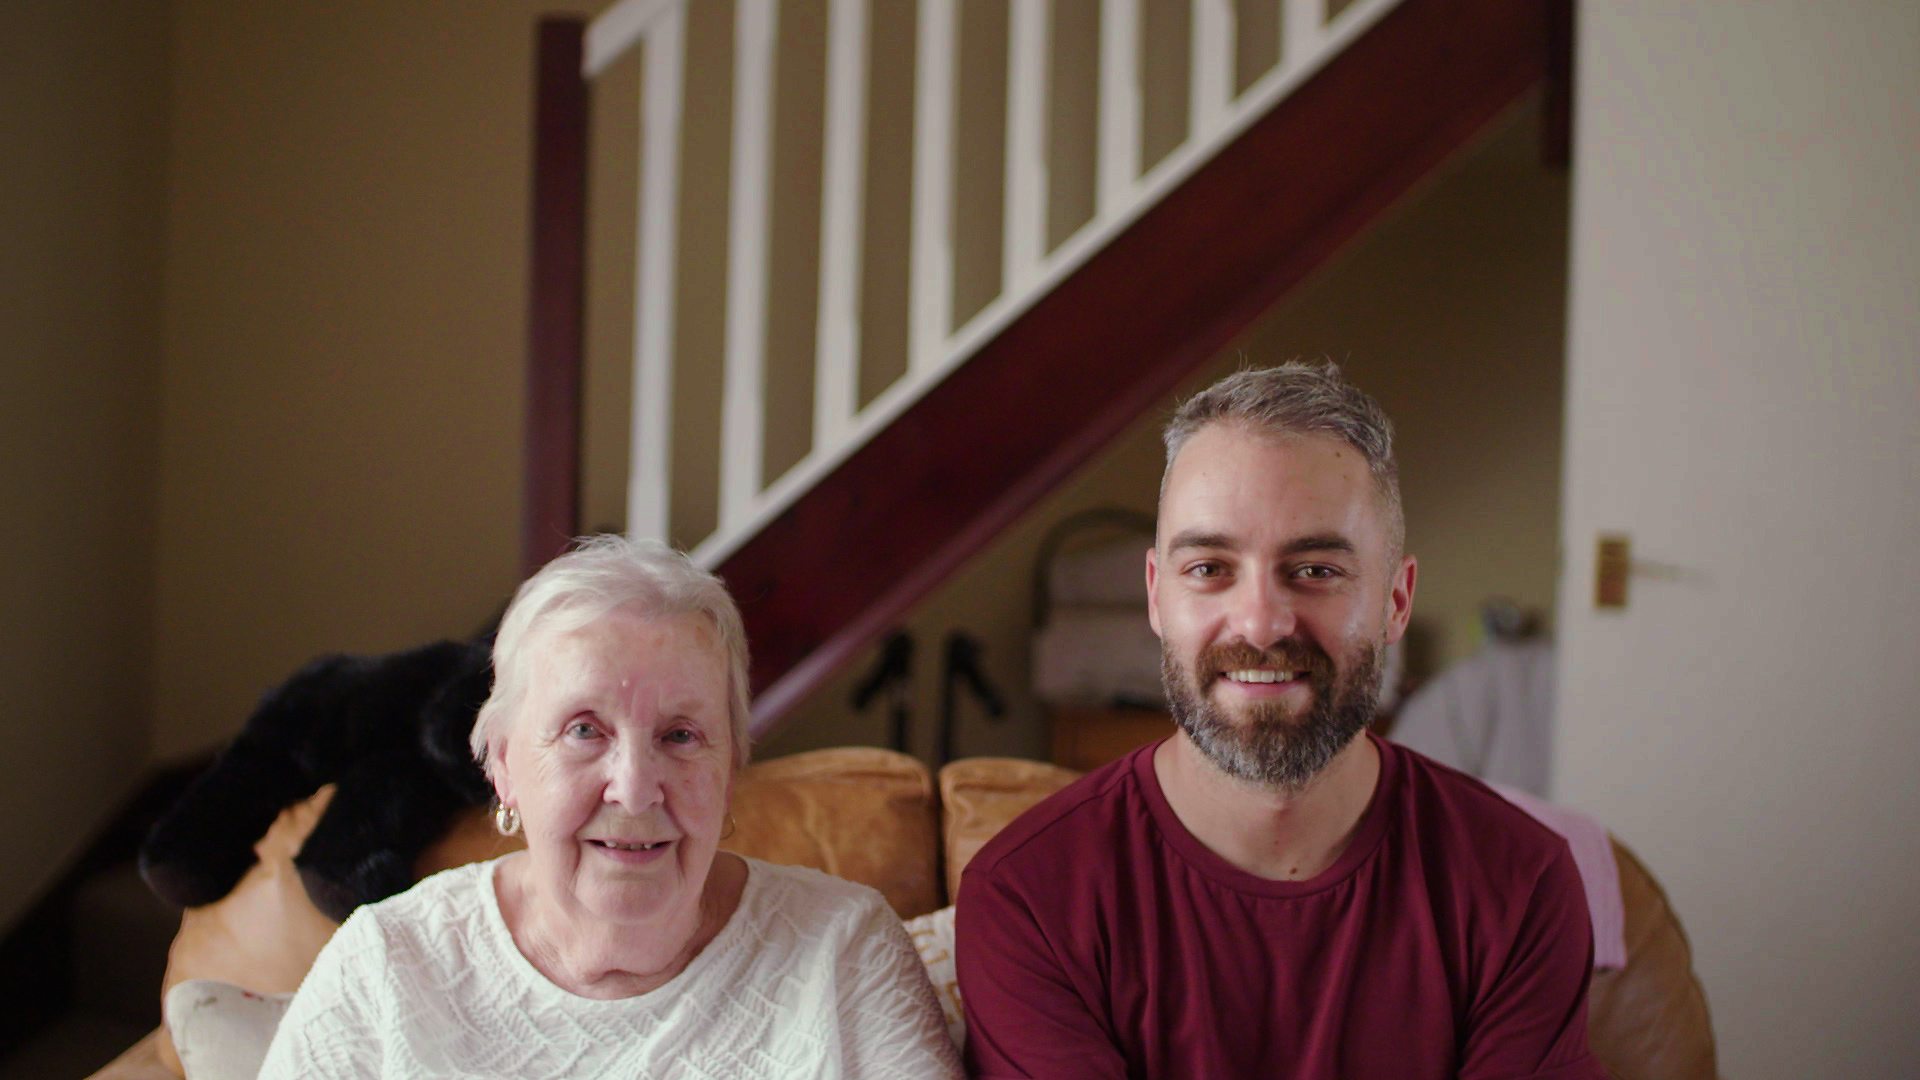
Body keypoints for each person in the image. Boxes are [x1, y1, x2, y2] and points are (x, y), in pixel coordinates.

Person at [956, 363, 1604, 1079]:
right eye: (1209, 568)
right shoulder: (1031, 897)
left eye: (1316, 570)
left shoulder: (1520, 879)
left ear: (1396, 599)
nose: (1262, 624)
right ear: (1156, 597)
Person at [259, 535, 962, 1078]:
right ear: (503, 765)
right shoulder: (387, 965)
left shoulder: (843, 952)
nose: (633, 787)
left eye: (681, 736)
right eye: (584, 731)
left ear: (731, 768)